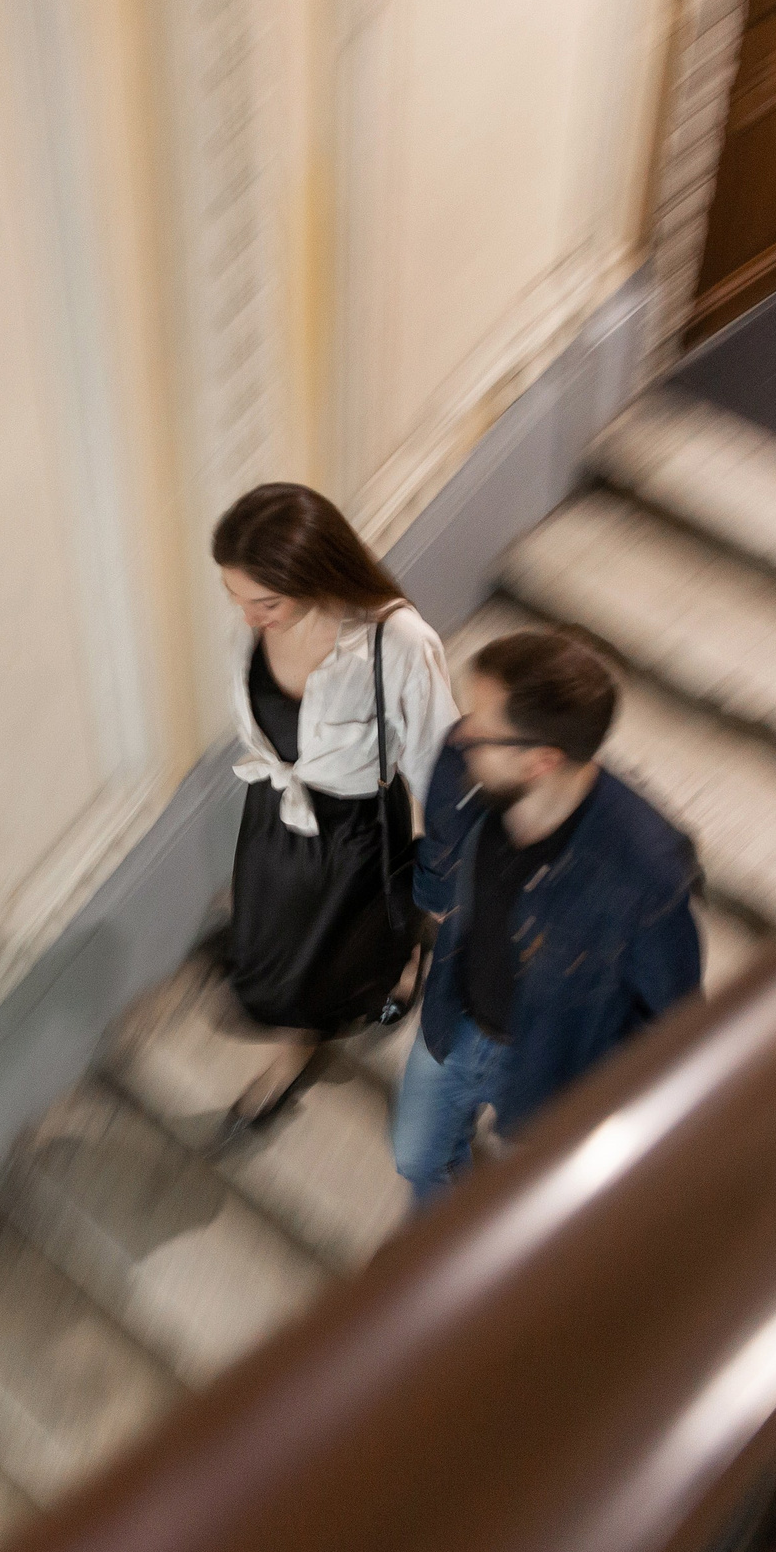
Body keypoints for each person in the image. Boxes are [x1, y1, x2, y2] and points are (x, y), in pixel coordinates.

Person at [389, 627, 701, 1205]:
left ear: (541, 761)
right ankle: (440, 1235)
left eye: (483, 729)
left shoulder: (645, 876)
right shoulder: (462, 773)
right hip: (455, 1017)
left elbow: (672, 1019)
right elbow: (436, 864)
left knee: (532, 1191)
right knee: (417, 1157)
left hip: (552, 1063)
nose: (462, 734)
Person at [210, 483, 458, 1143]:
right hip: (273, 808)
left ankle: (379, 978)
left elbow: (439, 756)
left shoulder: (395, 641)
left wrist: (448, 862)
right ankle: (325, 1007)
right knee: (273, 928)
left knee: (346, 938)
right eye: (235, 598)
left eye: (266, 602)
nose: (248, 618)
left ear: (315, 573)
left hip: (355, 828)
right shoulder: (258, 623)